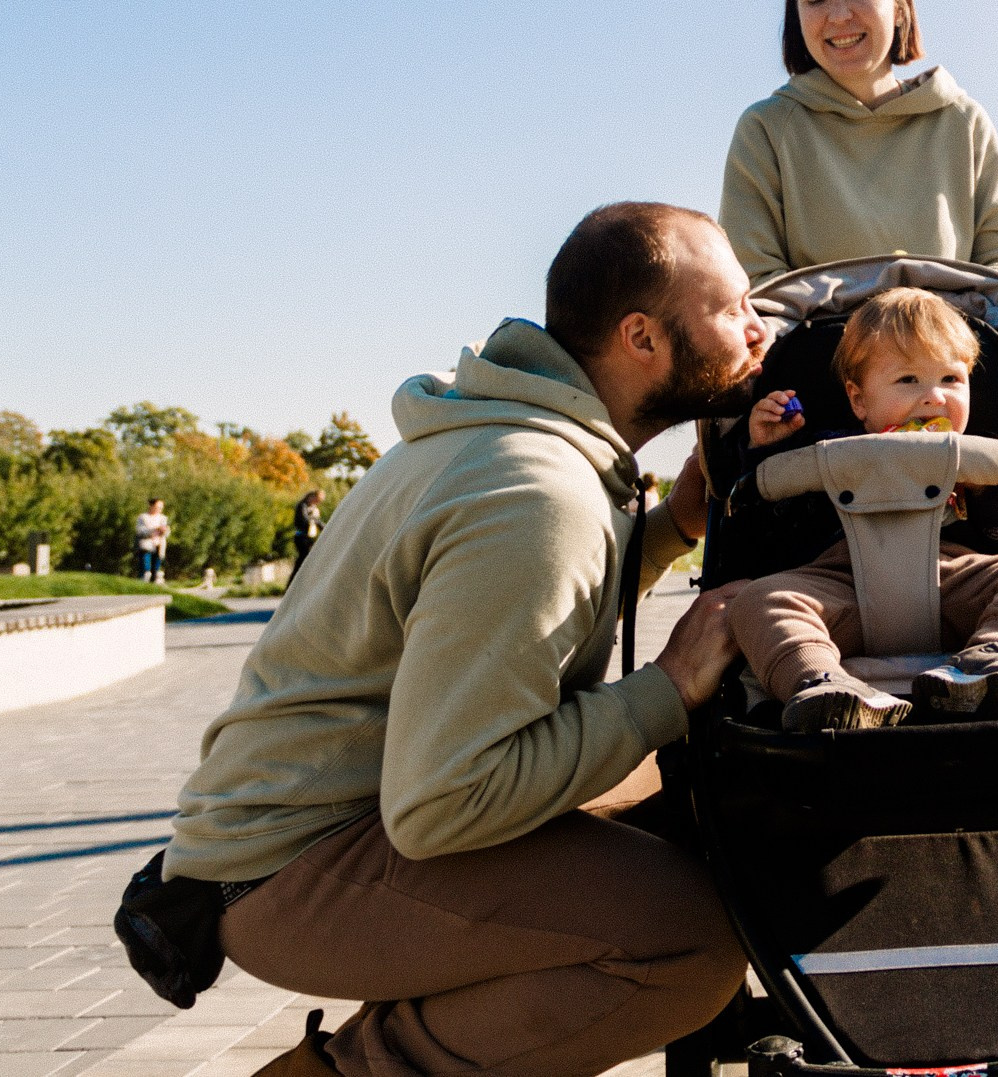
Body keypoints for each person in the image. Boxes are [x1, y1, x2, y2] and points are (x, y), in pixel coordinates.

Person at [163, 203, 768, 1077]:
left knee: (684, 798)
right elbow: (447, 798)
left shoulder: (522, 444)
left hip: (332, 823)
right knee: (686, 945)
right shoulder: (536, 491)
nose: (758, 328)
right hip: (293, 867)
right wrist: (666, 690)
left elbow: (521, 616)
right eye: (732, 307)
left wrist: (671, 524)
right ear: (642, 336)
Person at [728, 288, 998, 732]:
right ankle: (819, 682)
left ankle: (996, 658)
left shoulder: (984, 457)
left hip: (959, 579)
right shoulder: (828, 451)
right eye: (908, 380)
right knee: (756, 602)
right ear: (859, 399)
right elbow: (775, 540)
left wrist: (985, 490)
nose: (934, 398)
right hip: (845, 585)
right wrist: (764, 453)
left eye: (952, 380)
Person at [718, 0, 998, 288]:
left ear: (900, 1)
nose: (838, 15)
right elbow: (753, 281)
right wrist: (870, 330)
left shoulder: (963, 122)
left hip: (951, 344)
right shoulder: (765, 130)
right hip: (815, 347)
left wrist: (926, 326)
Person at [288, 489, 323, 582]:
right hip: (302, 537)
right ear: (311, 497)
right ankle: (292, 583)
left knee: (308, 560)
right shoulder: (302, 506)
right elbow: (305, 520)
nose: (317, 503)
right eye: (317, 500)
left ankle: (304, 582)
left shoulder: (313, 508)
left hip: (310, 537)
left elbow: (318, 522)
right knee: (302, 560)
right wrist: (313, 518)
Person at [134, 499, 170, 583]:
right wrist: (153, 530)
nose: (159, 510)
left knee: (156, 570)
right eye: (157, 507)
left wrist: (164, 531)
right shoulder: (143, 517)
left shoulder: (163, 518)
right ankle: (142, 583)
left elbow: (167, 532)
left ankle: (153, 584)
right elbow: (139, 531)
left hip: (159, 545)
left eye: (161, 508)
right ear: (151, 506)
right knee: (145, 568)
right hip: (146, 545)